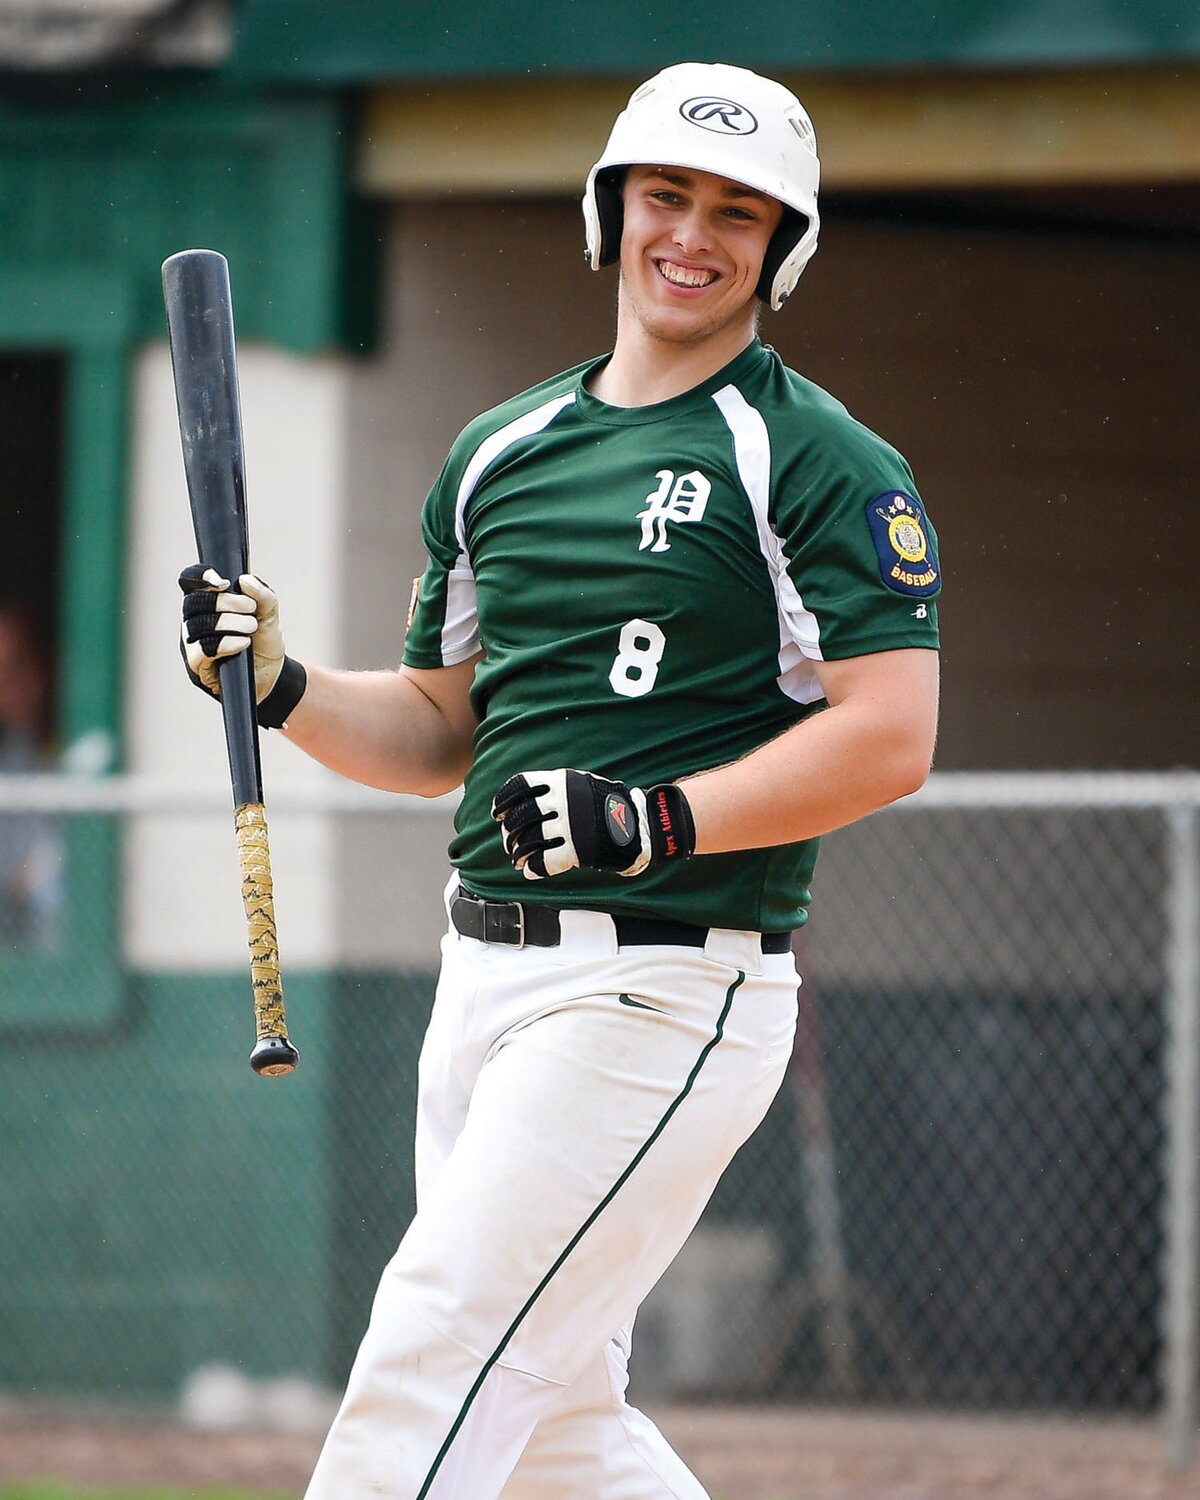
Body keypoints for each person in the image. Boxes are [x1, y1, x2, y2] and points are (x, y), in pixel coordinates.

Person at [179, 61, 940, 1500]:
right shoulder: (497, 452)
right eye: (666, 195)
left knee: (434, 1354)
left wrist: (657, 819)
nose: (693, 236)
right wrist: (278, 682)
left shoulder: (822, 460)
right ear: (611, 210)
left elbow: (893, 733)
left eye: (737, 211)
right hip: (482, 984)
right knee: (555, 1433)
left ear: (786, 247)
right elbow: (435, 730)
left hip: (667, 987)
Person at [0, 600, 60, 947]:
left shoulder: (80, 745)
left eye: (15, 668)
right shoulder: (13, 756)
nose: (8, 686)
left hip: (62, 942)